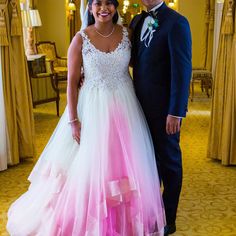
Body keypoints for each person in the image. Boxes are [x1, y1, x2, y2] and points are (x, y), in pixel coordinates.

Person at [6, 0, 166, 235]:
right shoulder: (80, 39)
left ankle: (125, 222)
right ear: (90, 8)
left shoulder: (127, 33)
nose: (104, 8)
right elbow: (71, 84)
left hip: (125, 108)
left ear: (116, 7)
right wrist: (73, 121)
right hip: (92, 108)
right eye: (98, 3)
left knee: (124, 163)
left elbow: (139, 63)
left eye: (109, 3)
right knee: (91, 165)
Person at [130, 1, 192, 235]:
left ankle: (169, 218)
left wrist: (176, 111)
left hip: (165, 110)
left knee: (170, 163)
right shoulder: (136, 21)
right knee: (146, 163)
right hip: (136, 107)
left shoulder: (177, 23)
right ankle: (150, 213)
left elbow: (182, 70)